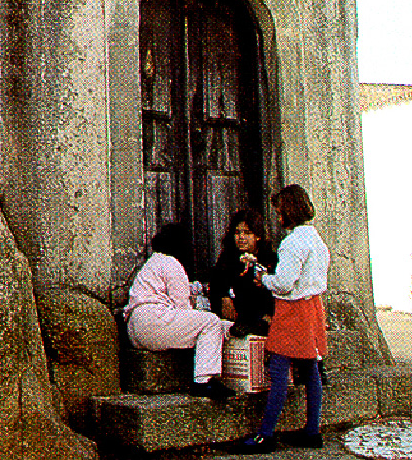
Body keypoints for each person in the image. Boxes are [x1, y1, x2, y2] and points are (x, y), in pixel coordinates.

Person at [235, 185, 330, 454]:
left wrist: (263, 278)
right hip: (312, 307)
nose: (277, 217)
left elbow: (285, 283)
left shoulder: (292, 243)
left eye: (279, 212)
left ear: (287, 211)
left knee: (278, 372)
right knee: (310, 369)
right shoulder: (316, 239)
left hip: (292, 310)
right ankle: (312, 430)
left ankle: (266, 434)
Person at [124, 223, 236, 400]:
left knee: (212, 324)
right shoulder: (172, 263)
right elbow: (182, 308)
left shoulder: (154, 261)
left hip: (135, 327)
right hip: (154, 323)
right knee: (211, 322)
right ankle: (203, 381)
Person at [209, 209, 277, 337]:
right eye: (237, 233)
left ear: (257, 235)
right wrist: (224, 297)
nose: (241, 237)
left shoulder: (269, 259)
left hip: (260, 316)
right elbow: (216, 284)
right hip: (234, 315)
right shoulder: (227, 258)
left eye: (247, 233)